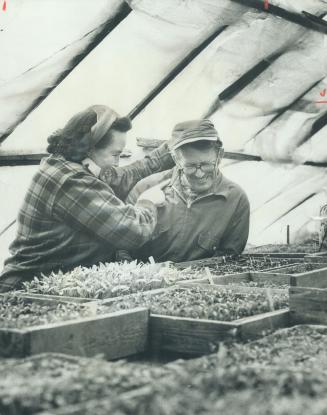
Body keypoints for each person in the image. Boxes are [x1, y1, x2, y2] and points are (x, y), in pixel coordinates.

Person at [0, 105, 173, 291]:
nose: (117, 162)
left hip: (40, 285)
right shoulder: (72, 181)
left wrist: (167, 151)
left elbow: (121, 177)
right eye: (115, 154)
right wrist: (147, 202)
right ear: (88, 149)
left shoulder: (60, 164)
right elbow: (133, 232)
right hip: (25, 291)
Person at [128, 119, 250, 263]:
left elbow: (229, 260)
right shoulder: (145, 189)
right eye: (190, 166)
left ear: (220, 156)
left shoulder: (235, 200)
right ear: (176, 159)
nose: (199, 174)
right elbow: (122, 249)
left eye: (206, 165)